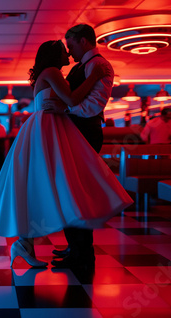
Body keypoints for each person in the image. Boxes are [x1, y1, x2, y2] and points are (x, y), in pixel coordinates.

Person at [0, 37, 133, 269]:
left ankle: (26, 243)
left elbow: (67, 99)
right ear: (54, 55)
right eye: (64, 50)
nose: (68, 55)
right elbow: (71, 99)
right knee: (58, 183)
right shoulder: (52, 71)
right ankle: (35, 243)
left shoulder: (49, 72)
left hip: (47, 126)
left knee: (43, 184)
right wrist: (94, 76)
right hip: (49, 127)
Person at [43, 24, 131, 269]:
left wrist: (66, 109)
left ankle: (83, 253)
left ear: (83, 41)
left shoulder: (99, 66)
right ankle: (77, 247)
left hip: (86, 131)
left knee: (77, 193)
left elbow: (95, 106)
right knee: (70, 192)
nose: (69, 52)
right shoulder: (84, 66)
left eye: (71, 46)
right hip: (75, 130)